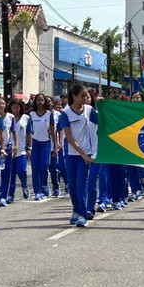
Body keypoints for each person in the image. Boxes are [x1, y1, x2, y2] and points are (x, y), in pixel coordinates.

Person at [57, 84, 98, 227]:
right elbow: (68, 137)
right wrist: (81, 153)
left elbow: (102, 122)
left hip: (86, 154)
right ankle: (76, 210)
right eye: (82, 95)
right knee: (72, 185)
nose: (85, 98)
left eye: (86, 96)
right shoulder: (65, 113)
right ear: (74, 96)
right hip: (71, 154)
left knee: (81, 184)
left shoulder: (89, 110)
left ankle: (82, 214)